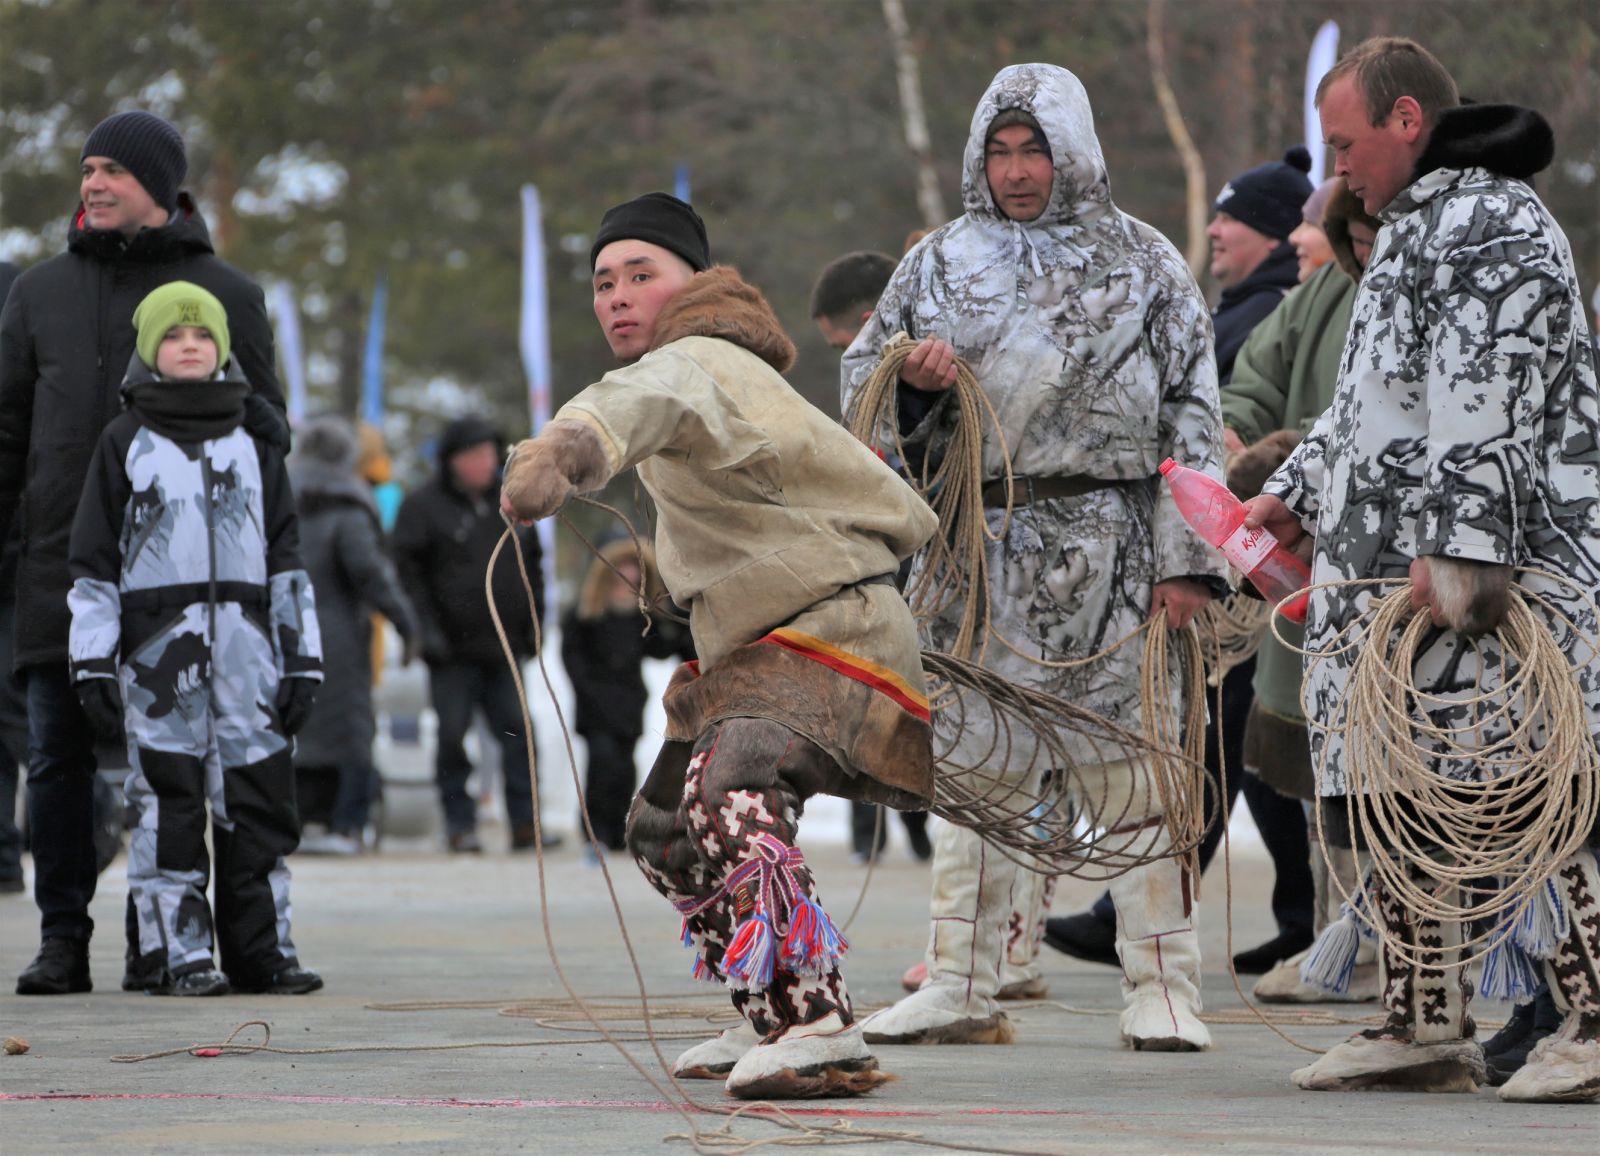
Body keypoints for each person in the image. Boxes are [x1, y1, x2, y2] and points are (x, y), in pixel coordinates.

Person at [501, 191, 938, 1098]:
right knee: (661, 828)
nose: (617, 296)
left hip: (834, 626)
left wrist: (559, 452)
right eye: (603, 282)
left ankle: (816, 1020)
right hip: (765, 644)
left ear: (693, 284)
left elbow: (627, 406)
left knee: (727, 786)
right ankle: (771, 1013)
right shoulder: (697, 373)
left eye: (640, 276)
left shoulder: (697, 360)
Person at [842, 63, 1227, 1052]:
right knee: (970, 770)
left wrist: (1187, 559)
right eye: (1001, 152)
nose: (1018, 171)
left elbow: (1195, 411)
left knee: (1139, 770)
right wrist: (920, 393)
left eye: (1035, 150)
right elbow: (866, 384)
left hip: (1114, 544)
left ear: (1073, 151)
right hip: (983, 549)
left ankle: (1163, 985)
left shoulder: (1145, 262)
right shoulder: (935, 264)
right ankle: (961, 979)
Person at [1245, 37, 1600, 1102]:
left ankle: (1594, 1015)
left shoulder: (1486, 225)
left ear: (1407, 123)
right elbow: (1375, 407)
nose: (1334, 170)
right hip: (1390, 586)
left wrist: (1459, 560)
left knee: (1528, 796)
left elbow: (1481, 406)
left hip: (1486, 587)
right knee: (1401, 798)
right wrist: (1297, 491)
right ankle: (1421, 1019)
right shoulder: (1413, 231)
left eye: (1345, 145)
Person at [1, 111, 287, 995]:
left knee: (180, 768)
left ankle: (161, 942)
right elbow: (7, 434)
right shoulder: (37, 292)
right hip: (62, 573)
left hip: (197, 591)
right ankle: (61, 938)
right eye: (86, 168)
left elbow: (268, 439)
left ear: (160, 188)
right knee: (58, 763)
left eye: (113, 171)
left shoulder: (226, 294)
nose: (92, 183)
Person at [1044, 147, 1320, 978]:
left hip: (1268, 543)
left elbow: (1244, 408)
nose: (1213, 229)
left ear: (1276, 235)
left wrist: (1241, 462)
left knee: (1239, 731)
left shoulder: (1272, 305)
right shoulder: (1254, 308)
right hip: (1249, 539)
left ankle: (1178, 915)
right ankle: (1295, 919)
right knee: (1247, 735)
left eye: (1231, 217)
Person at [67, 281, 322, 996]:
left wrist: (302, 660)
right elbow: (92, 564)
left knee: (259, 805)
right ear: (151, 349)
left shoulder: (254, 440)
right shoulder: (126, 442)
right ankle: (178, 953)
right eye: (175, 336)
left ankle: (263, 951)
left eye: (203, 336)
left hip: (249, 658)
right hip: (159, 659)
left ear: (222, 350)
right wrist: (92, 662)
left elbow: (286, 556)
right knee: (167, 807)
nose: (189, 345)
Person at [808, 249, 934, 866]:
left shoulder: (933, 372)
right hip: (885, 559)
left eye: (841, 346)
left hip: (929, 563)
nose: (843, 362)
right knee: (868, 693)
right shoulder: (867, 408)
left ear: (867, 320)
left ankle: (918, 827)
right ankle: (872, 834)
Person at [393, 414, 548, 854]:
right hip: (450, 651)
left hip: (504, 647)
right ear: (452, 461)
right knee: (451, 737)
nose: (485, 462)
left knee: (520, 733)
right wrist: (423, 632)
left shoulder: (513, 506)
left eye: (489, 453)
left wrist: (536, 624)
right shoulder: (422, 508)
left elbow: (532, 569)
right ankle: (459, 824)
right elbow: (406, 577)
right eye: (474, 454)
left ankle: (525, 824)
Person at [289, 415, 417, 855]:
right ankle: (346, 822)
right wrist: (405, 622)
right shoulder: (348, 506)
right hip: (340, 637)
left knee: (296, 726)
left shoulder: (278, 504)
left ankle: (303, 819)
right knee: (350, 730)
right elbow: (371, 574)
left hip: (285, 633)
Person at [560, 539, 692, 852]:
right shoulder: (586, 615)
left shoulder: (640, 618)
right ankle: (594, 830)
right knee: (601, 762)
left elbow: (664, 647)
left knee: (623, 766)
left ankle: (618, 828)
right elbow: (572, 656)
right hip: (594, 701)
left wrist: (672, 614)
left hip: (628, 702)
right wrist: (587, 689)